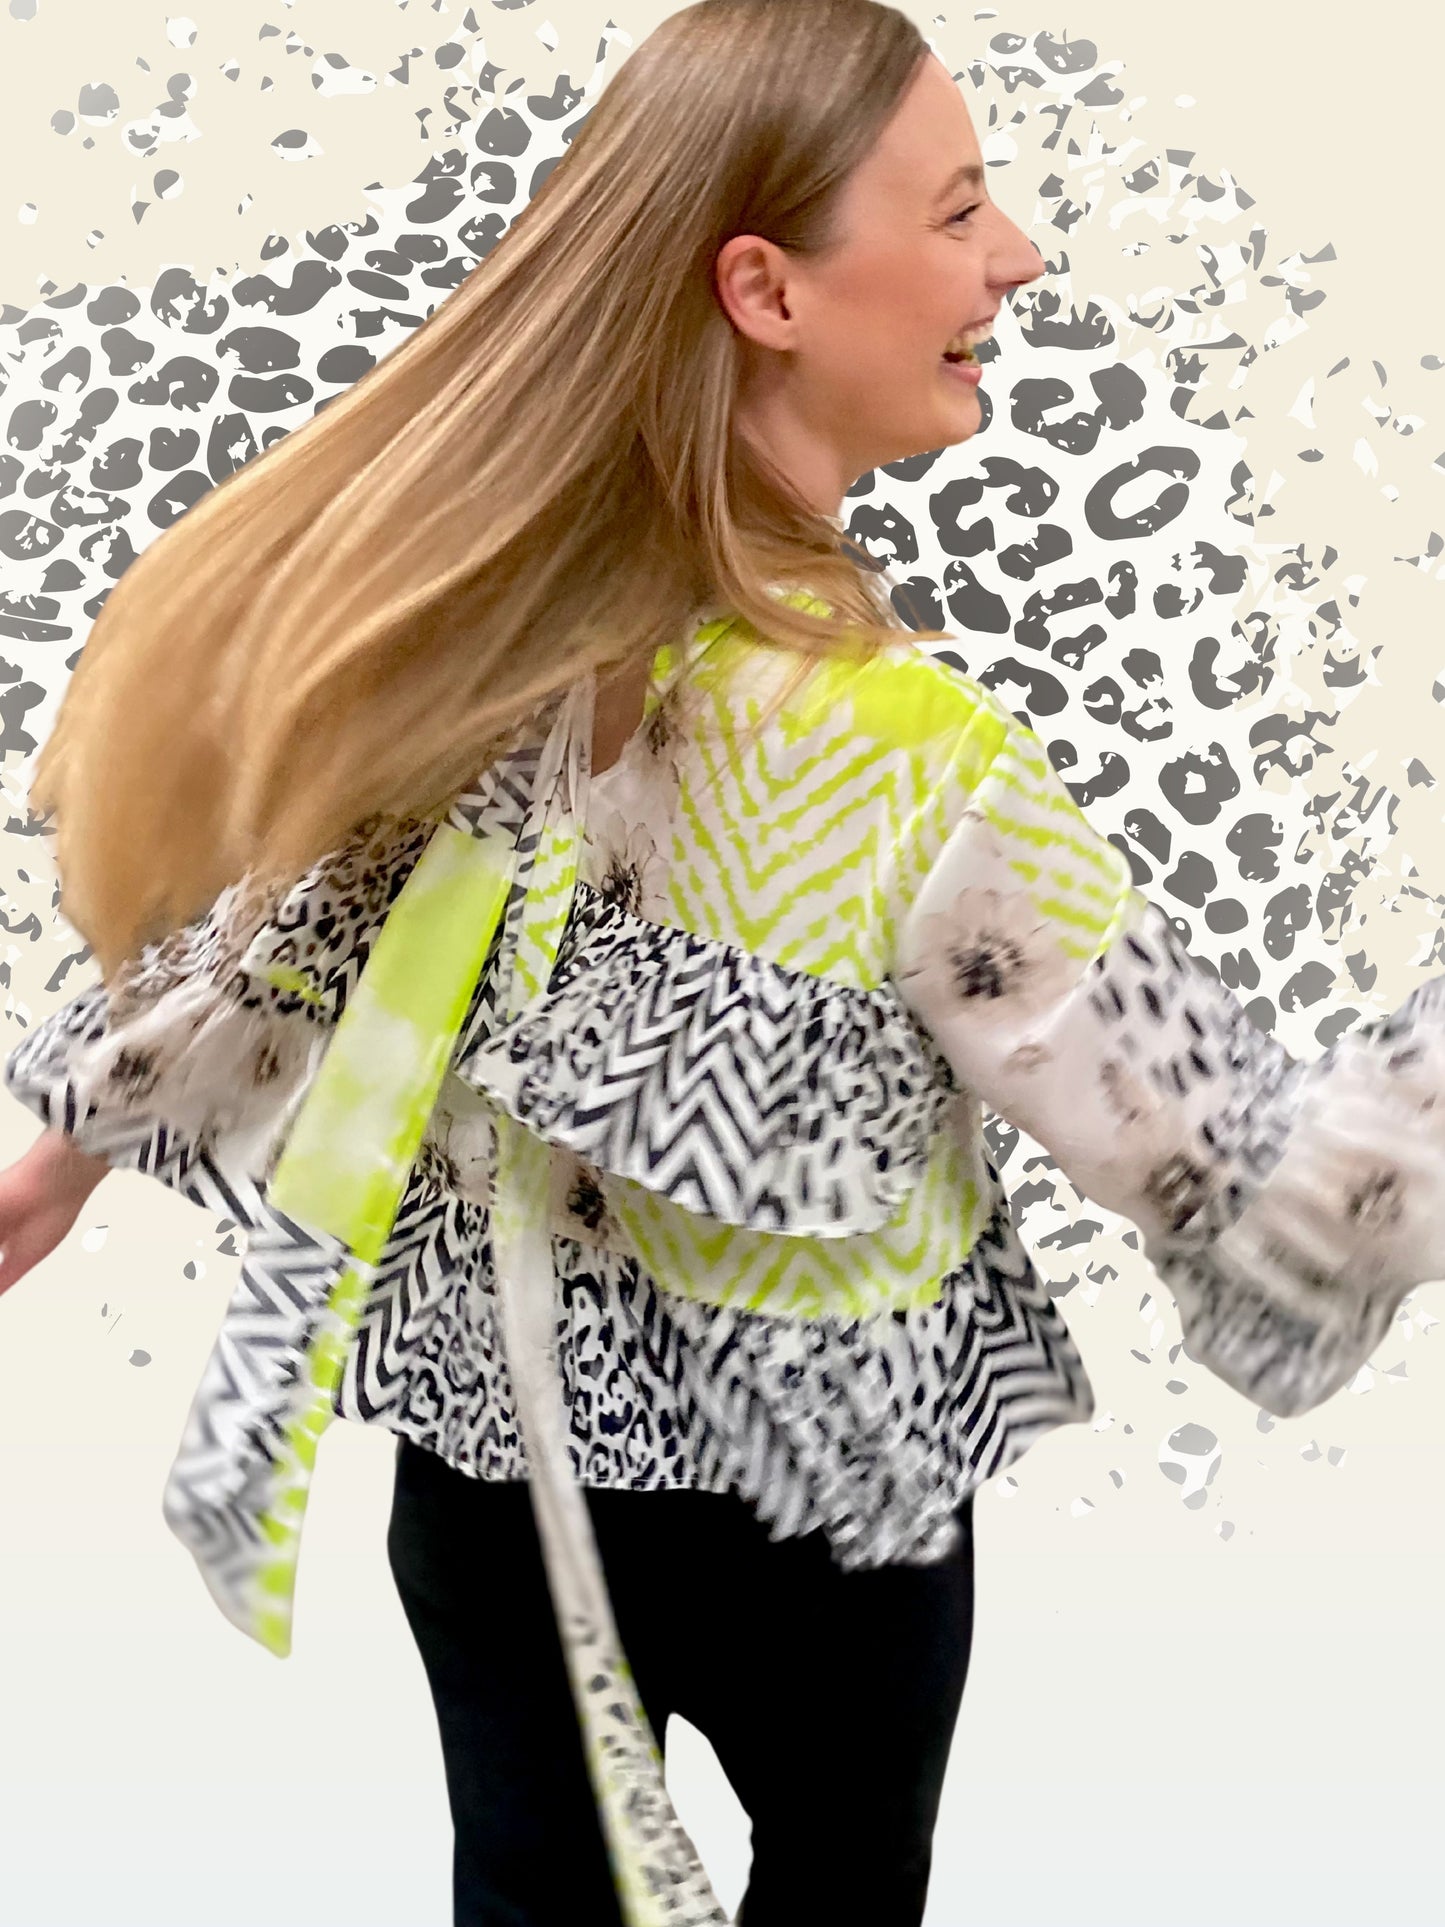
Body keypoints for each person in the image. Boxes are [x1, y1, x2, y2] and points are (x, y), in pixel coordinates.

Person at [1, 4, 1442, 1924]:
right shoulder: (912, 765)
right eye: (956, 211)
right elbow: (1243, 1176)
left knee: (528, 1893)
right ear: (763, 291)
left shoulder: (481, 664)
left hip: (491, 1494)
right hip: (819, 1512)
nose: (1015, 257)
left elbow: (277, 943)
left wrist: (56, 1151)